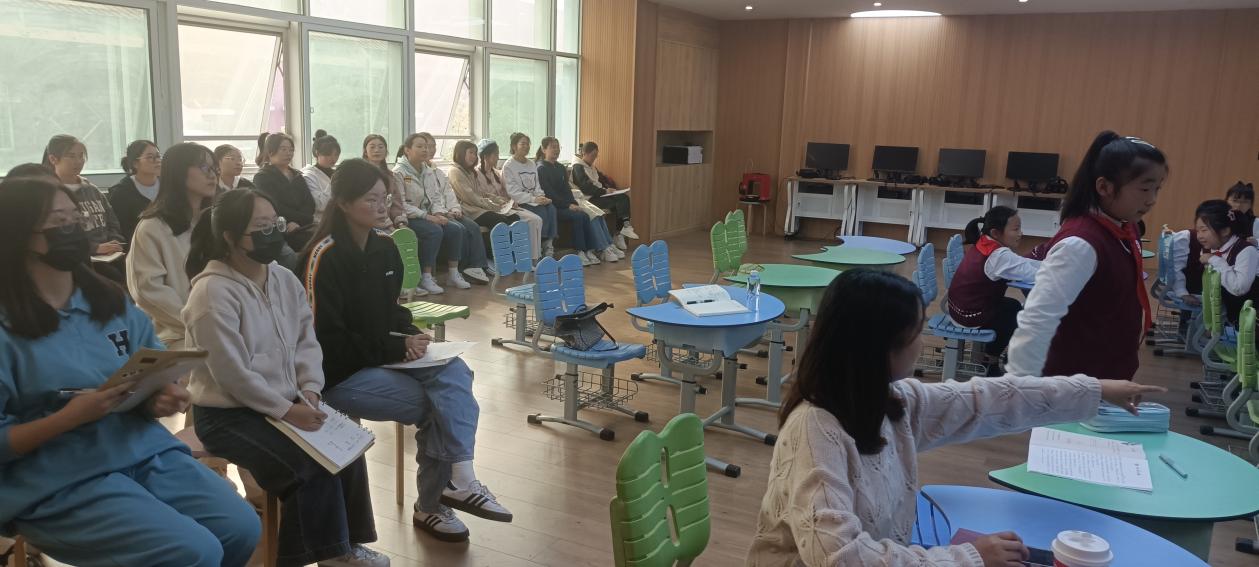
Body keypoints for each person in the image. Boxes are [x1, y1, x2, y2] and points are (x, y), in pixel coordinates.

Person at [745, 269, 1165, 567]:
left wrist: (1095, 390)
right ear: (880, 348)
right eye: (917, 331)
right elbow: (840, 557)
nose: (922, 341)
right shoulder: (815, 429)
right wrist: (968, 557)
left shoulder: (892, 402)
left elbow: (990, 399)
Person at [0, 175, 259, 567]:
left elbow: (150, 369)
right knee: (193, 552)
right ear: (19, 234)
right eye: (58, 221)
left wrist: (160, 395)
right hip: (56, 475)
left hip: (141, 449)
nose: (73, 229)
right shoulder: (7, 326)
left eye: (76, 218)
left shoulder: (107, 300)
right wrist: (69, 418)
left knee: (240, 528)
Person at [299, 159, 511, 543]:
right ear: (342, 203)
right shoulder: (322, 256)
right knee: (441, 404)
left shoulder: (384, 247)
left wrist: (411, 335)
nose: (382, 206)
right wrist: (396, 345)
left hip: (380, 359)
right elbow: (326, 341)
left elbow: (391, 312)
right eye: (371, 199)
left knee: (455, 372)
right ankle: (435, 503)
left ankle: (459, 480)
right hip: (337, 375)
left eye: (385, 197)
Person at [184, 189, 388, 567]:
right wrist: (286, 410)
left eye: (275, 224)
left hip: (287, 400)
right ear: (230, 237)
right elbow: (231, 374)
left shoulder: (282, 278)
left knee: (345, 449)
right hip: (228, 414)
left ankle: (346, 544)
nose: (273, 235)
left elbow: (306, 341)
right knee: (308, 468)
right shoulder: (212, 292)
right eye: (261, 228)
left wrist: (310, 389)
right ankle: (320, 555)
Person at [1006, 132, 1168, 381]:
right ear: (1104, 187)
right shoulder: (1080, 244)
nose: (1152, 199)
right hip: (1072, 381)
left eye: (1157, 189)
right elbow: (1037, 319)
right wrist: (1021, 387)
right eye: (1145, 188)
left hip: (1103, 376)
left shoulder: (1125, 226)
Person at [946, 206, 1040, 376]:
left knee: (1013, 306)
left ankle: (990, 356)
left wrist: (1048, 264)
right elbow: (1033, 273)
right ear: (996, 233)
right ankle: (991, 361)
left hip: (958, 308)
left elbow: (1021, 264)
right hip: (970, 315)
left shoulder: (985, 241)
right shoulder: (999, 256)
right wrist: (1059, 267)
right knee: (1016, 317)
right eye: (1016, 229)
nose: (1021, 234)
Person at [393, 132, 489, 290]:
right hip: (411, 216)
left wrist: (438, 213)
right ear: (407, 150)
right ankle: (426, 276)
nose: (425, 150)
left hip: (429, 214)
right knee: (435, 231)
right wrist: (429, 217)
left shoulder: (427, 170)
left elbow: (436, 197)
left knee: (456, 229)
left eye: (426, 146)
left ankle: (453, 274)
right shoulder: (399, 172)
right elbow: (402, 204)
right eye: (420, 146)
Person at [41, 135, 126, 279]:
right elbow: (56, 237)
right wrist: (95, 248)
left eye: (81, 156)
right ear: (53, 159)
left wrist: (115, 241)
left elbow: (112, 221)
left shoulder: (92, 189)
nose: (78, 161)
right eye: (71, 156)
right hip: (79, 261)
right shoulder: (50, 193)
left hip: (109, 256)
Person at [535, 137, 618, 265]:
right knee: (579, 216)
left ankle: (588, 250)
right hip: (553, 206)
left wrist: (573, 203)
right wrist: (567, 205)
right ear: (544, 149)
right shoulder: (541, 168)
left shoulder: (560, 167)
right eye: (553, 147)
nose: (556, 150)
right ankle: (579, 251)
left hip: (566, 204)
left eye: (558, 147)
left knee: (584, 214)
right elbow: (549, 193)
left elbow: (566, 189)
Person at [1193, 199, 1258, 326]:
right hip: (1230, 314)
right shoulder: (1209, 249)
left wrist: (1214, 260)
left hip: (1250, 319)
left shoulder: (1246, 251)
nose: (1199, 236)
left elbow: (1239, 288)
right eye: (1198, 230)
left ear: (1225, 231)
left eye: (1204, 230)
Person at [476, 139, 544, 259]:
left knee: (536, 219)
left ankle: (534, 257)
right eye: (495, 155)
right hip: (494, 209)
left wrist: (511, 202)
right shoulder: (477, 174)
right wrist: (504, 203)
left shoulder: (496, 173)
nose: (498, 158)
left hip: (508, 207)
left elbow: (506, 192)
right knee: (531, 220)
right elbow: (483, 196)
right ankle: (528, 258)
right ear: (485, 156)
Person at [253, 132, 316, 251]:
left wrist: (298, 222)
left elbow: (309, 203)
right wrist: (291, 222)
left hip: (303, 225)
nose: (288, 153)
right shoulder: (262, 177)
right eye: (283, 149)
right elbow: (274, 206)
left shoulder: (297, 175)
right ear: (271, 151)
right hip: (280, 229)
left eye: (291, 150)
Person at [571, 141, 638, 248]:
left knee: (623, 198)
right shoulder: (578, 167)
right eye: (593, 155)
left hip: (599, 195)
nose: (594, 158)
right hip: (588, 199)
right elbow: (586, 188)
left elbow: (601, 180)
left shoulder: (592, 166)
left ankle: (623, 229)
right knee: (618, 203)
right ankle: (619, 233)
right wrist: (605, 191)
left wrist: (609, 189)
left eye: (596, 156)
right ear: (584, 153)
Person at [502, 132, 559, 258]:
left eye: (528, 144)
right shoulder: (509, 165)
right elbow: (513, 192)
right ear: (514, 146)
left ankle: (548, 243)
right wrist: (534, 199)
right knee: (542, 212)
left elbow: (537, 185)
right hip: (520, 202)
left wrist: (541, 197)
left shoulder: (531, 164)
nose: (526, 146)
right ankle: (540, 245)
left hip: (535, 200)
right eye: (522, 144)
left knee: (551, 208)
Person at [447, 139, 522, 231]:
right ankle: (506, 241)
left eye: (475, 153)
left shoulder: (469, 171)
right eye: (471, 152)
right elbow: (471, 198)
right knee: (499, 221)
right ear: (461, 153)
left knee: (515, 218)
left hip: (480, 208)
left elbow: (482, 193)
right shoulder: (455, 172)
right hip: (470, 211)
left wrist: (501, 201)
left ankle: (515, 241)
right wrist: (494, 206)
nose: (474, 156)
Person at [108, 140, 161, 241]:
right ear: (135, 163)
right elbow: (121, 229)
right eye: (150, 157)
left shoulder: (168, 185)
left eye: (158, 156)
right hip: (138, 243)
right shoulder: (121, 192)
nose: (157, 160)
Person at [302, 129, 339, 223]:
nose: (333, 159)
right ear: (317, 153)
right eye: (328, 155)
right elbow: (320, 205)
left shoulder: (336, 172)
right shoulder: (308, 175)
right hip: (321, 223)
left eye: (336, 154)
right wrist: (335, 180)